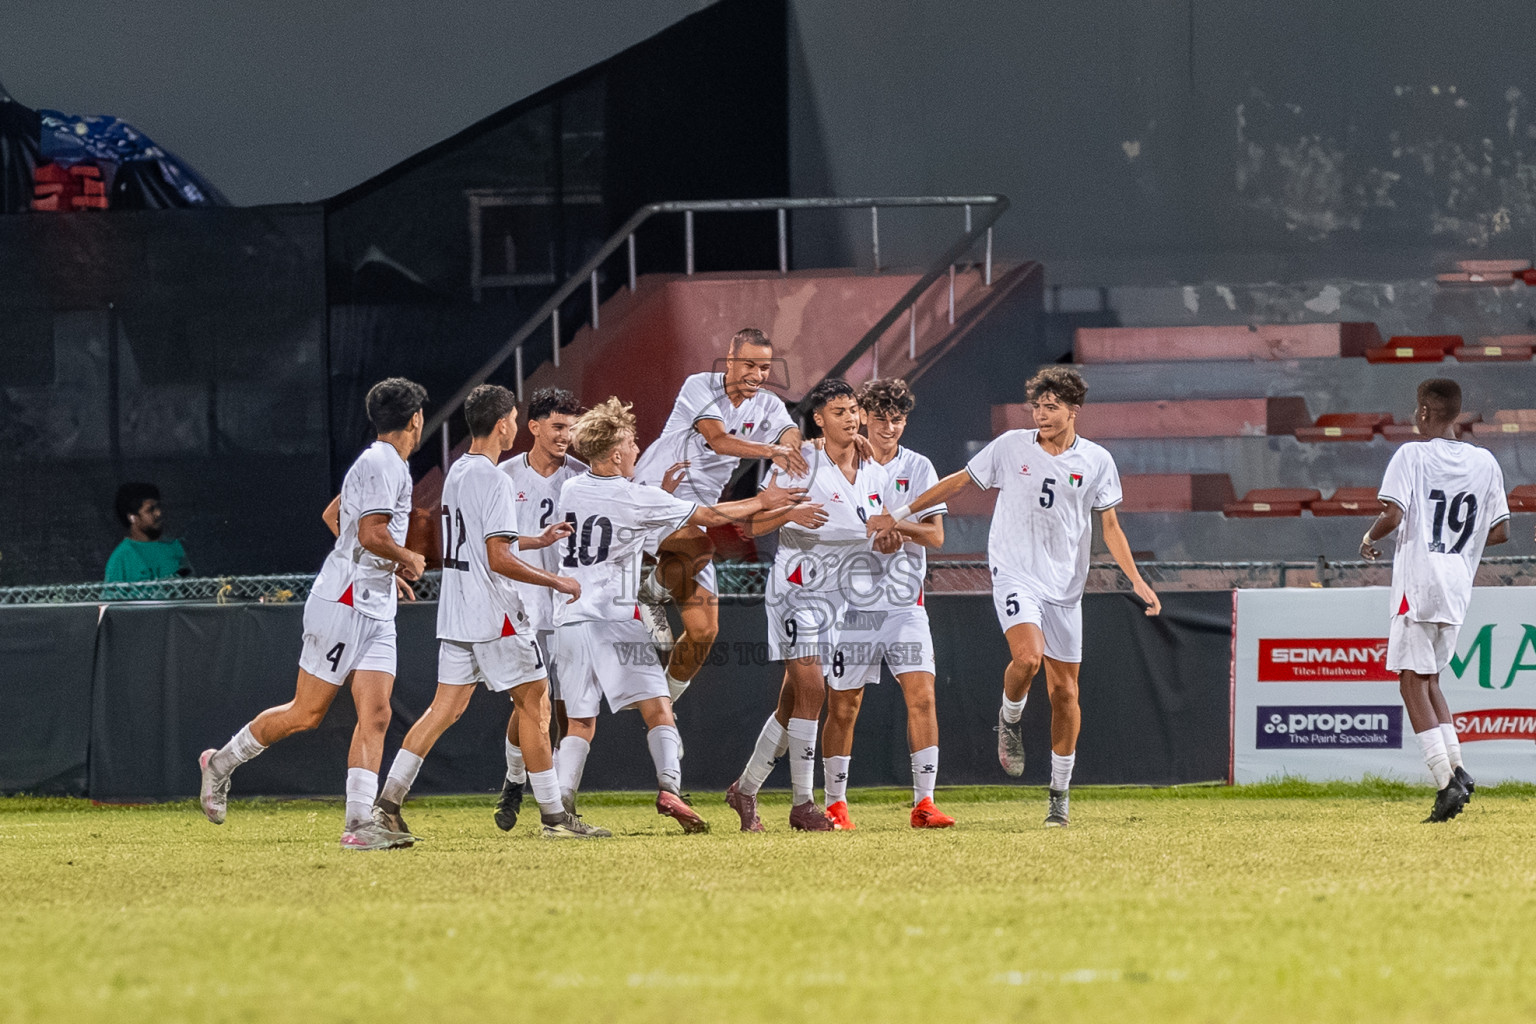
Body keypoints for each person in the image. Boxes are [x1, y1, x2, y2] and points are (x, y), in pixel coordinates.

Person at [865, 366, 1160, 828]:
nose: (1041, 414)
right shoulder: (1011, 446)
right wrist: (899, 511)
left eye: (1051, 407)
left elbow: (1110, 527)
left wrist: (1136, 580)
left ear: (1073, 410)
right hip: (1015, 572)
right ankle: (1010, 715)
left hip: (1065, 585)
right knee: (1027, 659)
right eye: (1037, 406)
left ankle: (1058, 797)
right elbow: (959, 482)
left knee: (1066, 693)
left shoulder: (1098, 460)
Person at [553, 396, 808, 832]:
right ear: (615, 454)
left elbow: (619, 519)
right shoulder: (636, 495)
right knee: (659, 711)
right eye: (632, 443)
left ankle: (559, 814)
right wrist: (764, 500)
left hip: (569, 618)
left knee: (580, 721)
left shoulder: (571, 489)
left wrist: (662, 497)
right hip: (614, 618)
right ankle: (670, 787)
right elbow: (710, 514)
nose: (637, 449)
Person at [197, 377, 428, 851]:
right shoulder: (386, 463)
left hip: (375, 606)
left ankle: (359, 825)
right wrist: (407, 558)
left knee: (378, 713)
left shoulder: (377, 463)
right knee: (306, 713)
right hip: (342, 603)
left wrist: (388, 570)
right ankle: (220, 764)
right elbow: (368, 533)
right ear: (416, 419)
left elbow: (333, 518)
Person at [372, 385, 603, 841]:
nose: (515, 425)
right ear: (503, 424)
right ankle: (556, 819)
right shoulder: (496, 478)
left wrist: (539, 540)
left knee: (443, 710)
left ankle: (387, 804)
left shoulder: (459, 470)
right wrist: (556, 580)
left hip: (458, 610)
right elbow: (497, 557)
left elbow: (484, 542)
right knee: (535, 704)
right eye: (514, 418)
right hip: (495, 612)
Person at [727, 378, 893, 834]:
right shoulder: (801, 461)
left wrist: (887, 539)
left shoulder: (873, 469)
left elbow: (871, 531)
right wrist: (790, 513)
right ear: (819, 419)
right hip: (797, 588)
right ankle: (803, 804)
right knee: (815, 689)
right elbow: (754, 525)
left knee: (793, 703)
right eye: (839, 411)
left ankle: (744, 789)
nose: (850, 417)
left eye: (853, 409)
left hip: (838, 598)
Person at [631, 327, 809, 705]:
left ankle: (665, 703)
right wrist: (772, 452)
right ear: (730, 359)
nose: (757, 375)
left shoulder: (769, 405)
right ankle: (648, 597)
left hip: (701, 509)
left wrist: (794, 449)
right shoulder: (700, 385)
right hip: (656, 491)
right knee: (698, 546)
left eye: (764, 368)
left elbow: (790, 434)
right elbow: (719, 440)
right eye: (749, 364)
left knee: (703, 632)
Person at [1360, 378, 1509, 823]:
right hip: (1457, 586)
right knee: (1431, 682)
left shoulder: (1411, 455)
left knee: (1410, 683)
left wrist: (1368, 538)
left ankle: (1444, 783)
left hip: (1419, 584)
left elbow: (1393, 513)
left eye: (1415, 409)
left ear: (1425, 412)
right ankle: (1459, 769)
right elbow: (1500, 530)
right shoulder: (1485, 463)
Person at [821, 378, 954, 830]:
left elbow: (935, 534)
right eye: (880, 419)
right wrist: (874, 532)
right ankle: (835, 804)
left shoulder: (918, 467)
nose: (889, 428)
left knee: (922, 696)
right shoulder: (836, 464)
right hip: (850, 604)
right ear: (863, 418)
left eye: (897, 420)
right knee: (843, 705)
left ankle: (925, 803)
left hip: (904, 602)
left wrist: (896, 525)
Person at [494, 386, 586, 831]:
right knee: (531, 705)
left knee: (570, 710)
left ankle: (560, 798)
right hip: (521, 607)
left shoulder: (583, 477)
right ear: (533, 427)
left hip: (570, 608)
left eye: (572, 427)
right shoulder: (505, 476)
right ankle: (516, 781)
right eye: (557, 426)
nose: (566, 435)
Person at [105, 483, 192, 583]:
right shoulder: (121, 557)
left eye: (158, 507)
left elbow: (193, 587)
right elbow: (111, 596)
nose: (158, 513)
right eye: (150, 510)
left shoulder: (174, 546)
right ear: (132, 517)